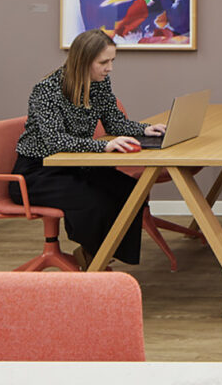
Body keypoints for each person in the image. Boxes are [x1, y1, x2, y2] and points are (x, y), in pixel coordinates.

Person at [11, 29, 166, 267]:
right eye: (104, 62)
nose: (110, 68)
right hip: (38, 172)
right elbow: (55, 142)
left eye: (112, 61)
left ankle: (101, 254)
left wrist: (144, 129)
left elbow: (114, 121)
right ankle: (96, 259)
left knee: (130, 190)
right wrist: (103, 147)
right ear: (83, 61)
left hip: (75, 164)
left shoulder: (99, 84)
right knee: (94, 201)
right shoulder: (47, 90)